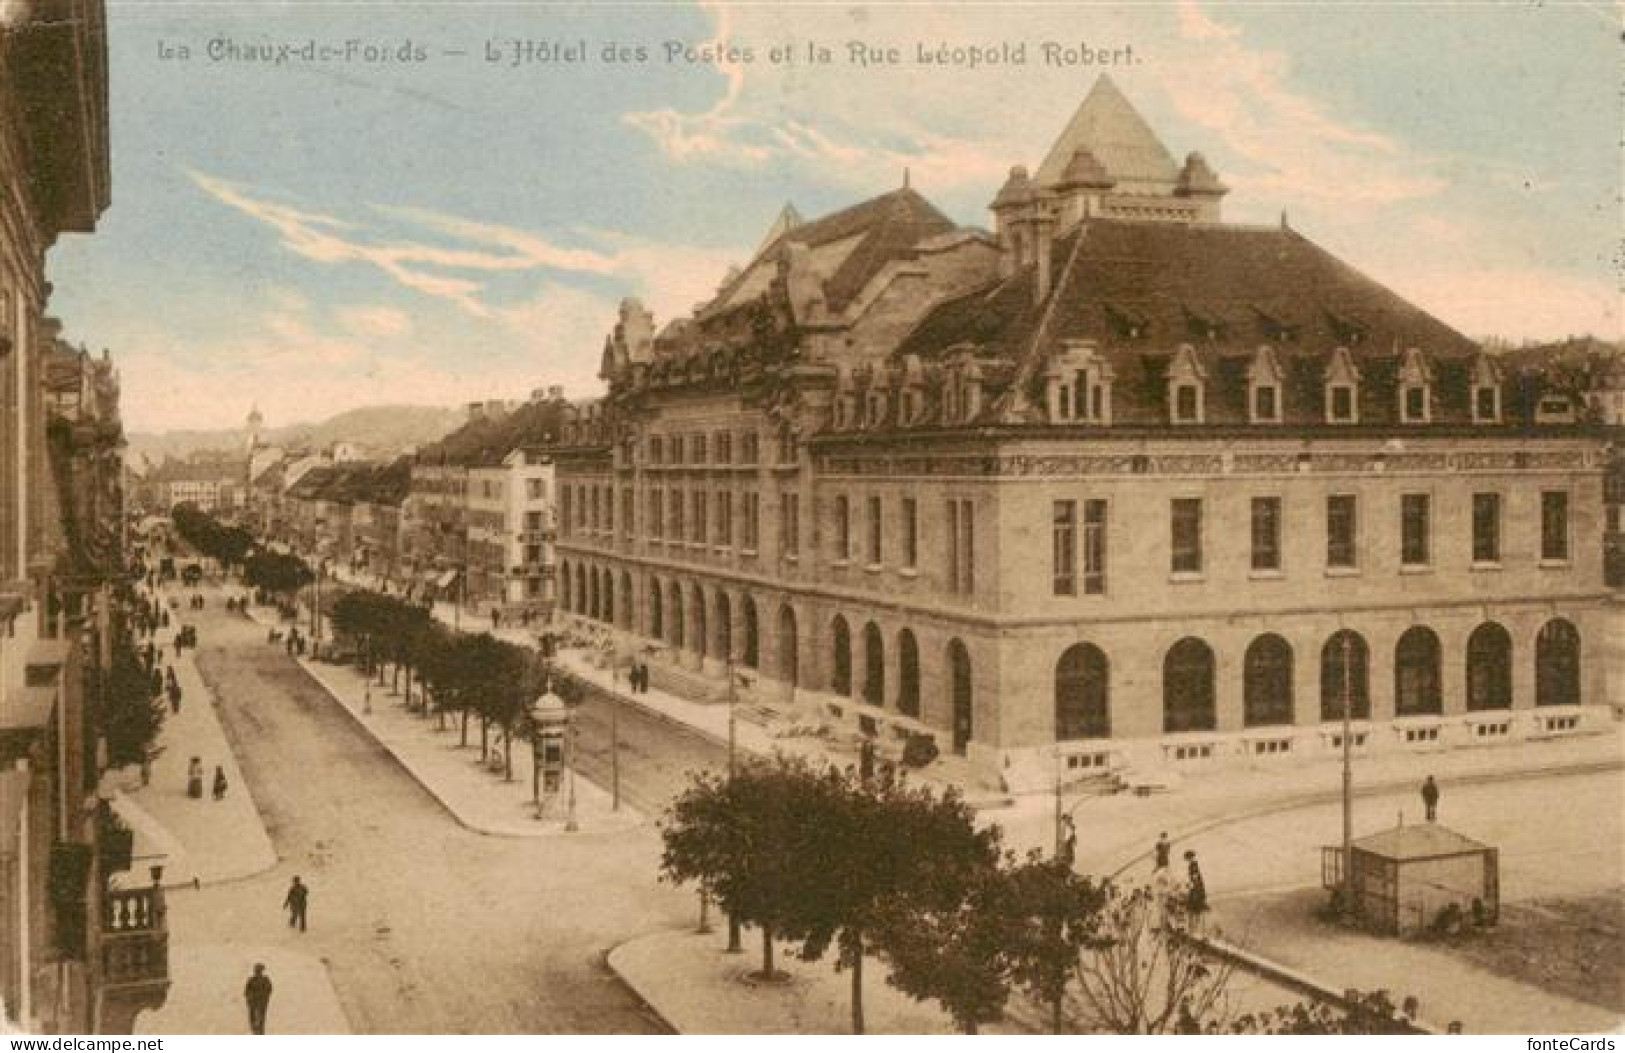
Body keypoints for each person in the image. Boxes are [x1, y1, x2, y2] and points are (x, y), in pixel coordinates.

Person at [244, 963, 272, 1035]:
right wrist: (250, 998)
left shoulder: (265, 980)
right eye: (256, 971)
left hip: (261, 1003)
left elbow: (269, 990)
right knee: (253, 1018)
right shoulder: (251, 980)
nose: (257, 972)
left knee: (261, 1018)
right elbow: (246, 992)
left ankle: (260, 1032)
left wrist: (265, 998)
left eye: (259, 971)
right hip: (253, 1002)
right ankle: (255, 1031)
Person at [1185, 850, 1208, 916]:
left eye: (1188, 858)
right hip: (1196, 881)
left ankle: (1197, 908)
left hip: (1196, 881)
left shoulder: (1193, 864)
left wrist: (1192, 883)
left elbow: (1195, 874)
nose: (1188, 860)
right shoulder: (1193, 863)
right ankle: (1197, 907)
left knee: (1195, 893)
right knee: (1195, 893)